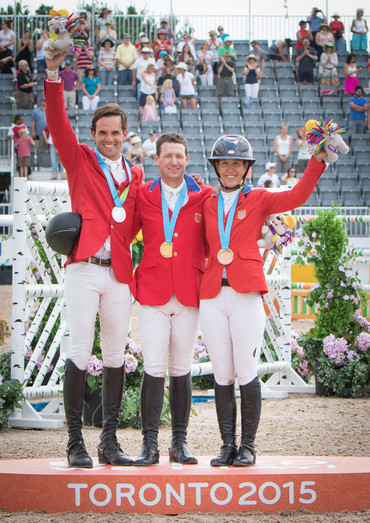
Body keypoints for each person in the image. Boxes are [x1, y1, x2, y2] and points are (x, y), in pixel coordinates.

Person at [199, 135, 327, 467]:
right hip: (212, 294)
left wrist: (318, 161)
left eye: (236, 164)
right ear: (217, 167)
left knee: (246, 370)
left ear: (246, 169)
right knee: (222, 374)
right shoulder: (206, 201)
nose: (230, 169)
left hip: (245, 293)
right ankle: (227, 444)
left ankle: (248, 446)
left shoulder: (258, 198)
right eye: (224, 163)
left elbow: (297, 195)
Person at [44, 49, 144, 469]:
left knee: (117, 355)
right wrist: (53, 73)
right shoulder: (81, 161)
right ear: (94, 133)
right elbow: (57, 122)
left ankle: (108, 441)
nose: (109, 138)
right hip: (84, 269)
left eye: (115, 133)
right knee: (81, 350)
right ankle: (73, 442)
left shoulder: (136, 175)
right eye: (102, 132)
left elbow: (141, 222)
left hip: (119, 274)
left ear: (125, 134)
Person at [130, 132, 214, 467]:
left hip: (188, 293)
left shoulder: (204, 195)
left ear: (187, 158)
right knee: (153, 369)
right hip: (152, 291)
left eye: (179, 156)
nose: (174, 162)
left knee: (181, 370)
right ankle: (149, 445)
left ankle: (179, 443)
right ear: (157, 159)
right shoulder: (142, 194)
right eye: (168, 156)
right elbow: (122, 230)